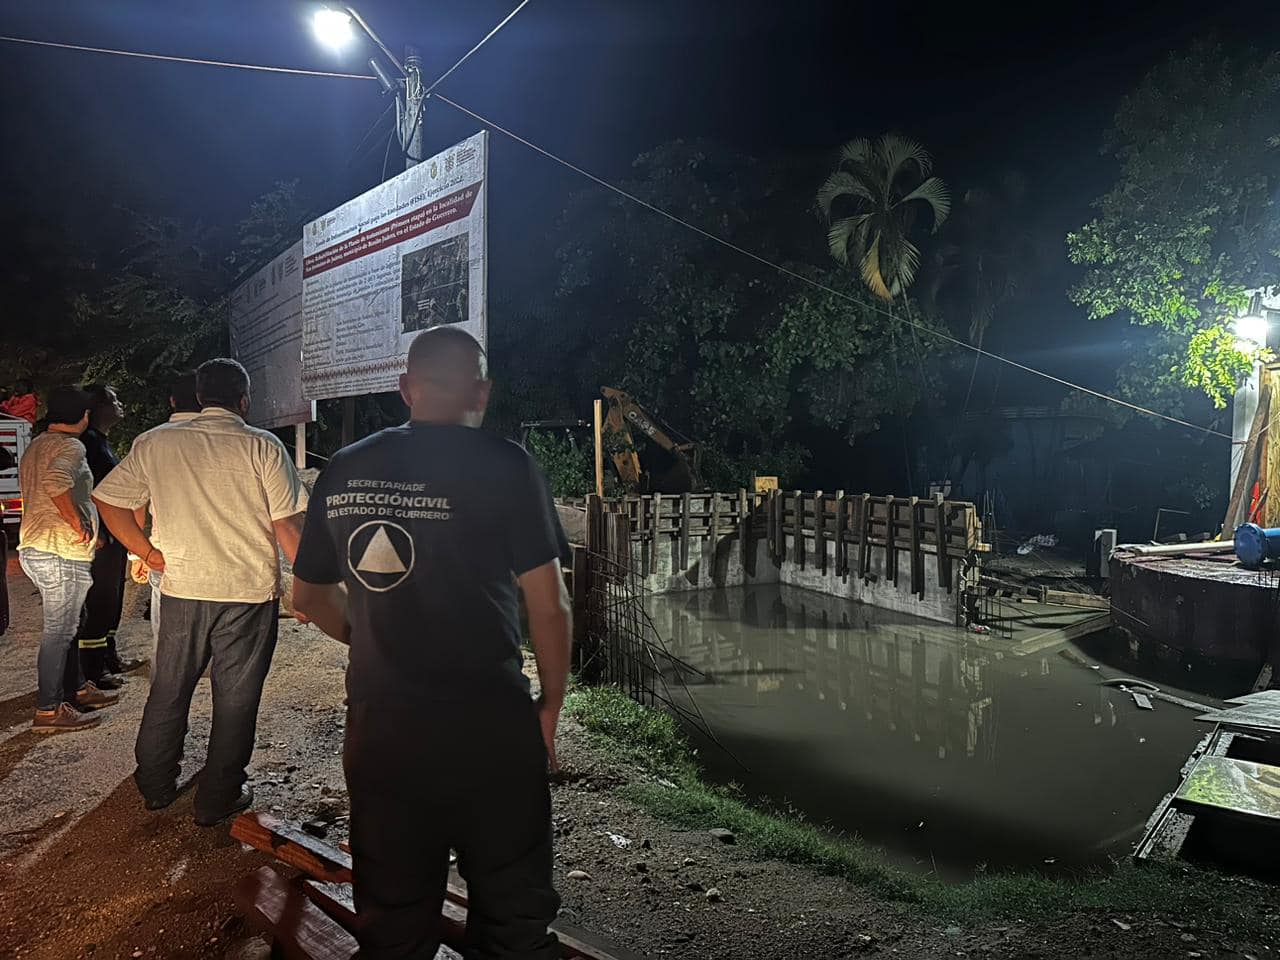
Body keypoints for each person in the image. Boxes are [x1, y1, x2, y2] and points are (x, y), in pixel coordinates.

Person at [292, 327, 571, 960]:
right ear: (483, 390)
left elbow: (306, 597)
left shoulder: (345, 467)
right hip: (490, 726)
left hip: (383, 726)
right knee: (514, 920)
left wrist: (368, 639)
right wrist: (550, 706)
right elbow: (548, 602)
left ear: (404, 389)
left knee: (393, 920)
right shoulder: (507, 465)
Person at [93, 358, 308, 825]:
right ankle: (218, 797)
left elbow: (108, 499)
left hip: (183, 588)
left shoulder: (156, 443)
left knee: (169, 688)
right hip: (248, 593)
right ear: (244, 399)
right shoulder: (262, 446)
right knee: (236, 698)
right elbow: (288, 525)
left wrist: (146, 552)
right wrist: (310, 589)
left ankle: (155, 785)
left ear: (199, 396)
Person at [18, 385, 119, 733]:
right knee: (59, 631)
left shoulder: (37, 446)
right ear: (85, 416)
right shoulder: (71, 445)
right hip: (59, 549)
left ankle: (76, 689)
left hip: (37, 545)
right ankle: (48, 709)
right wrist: (78, 522)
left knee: (69, 624)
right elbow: (56, 482)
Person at [125, 371, 202, 658]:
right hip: (220, 556)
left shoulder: (149, 442)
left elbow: (133, 502)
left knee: (166, 639)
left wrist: (138, 553)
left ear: (172, 401)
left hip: (165, 554)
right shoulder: (235, 439)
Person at [76, 383, 141, 685]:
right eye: (113, 400)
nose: (119, 404)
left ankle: (108, 657)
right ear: (96, 407)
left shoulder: (101, 443)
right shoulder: (87, 444)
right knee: (99, 600)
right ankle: (92, 670)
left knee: (112, 597)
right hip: (98, 538)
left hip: (112, 536)